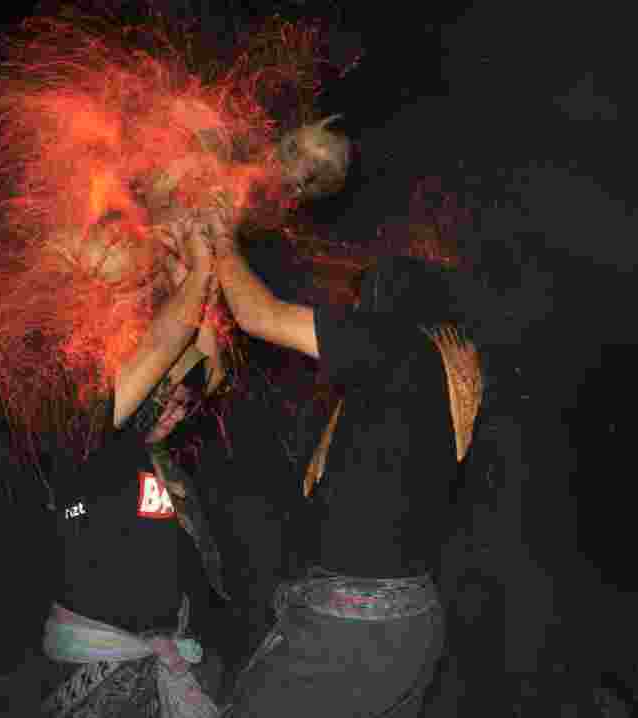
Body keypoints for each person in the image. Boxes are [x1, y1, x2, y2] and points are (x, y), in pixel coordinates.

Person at [208, 208, 485, 717]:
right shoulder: (441, 366)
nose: (349, 305)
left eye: (360, 294)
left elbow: (258, 316)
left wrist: (219, 238)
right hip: (413, 621)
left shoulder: (389, 342)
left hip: (356, 632)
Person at [36, 214, 232, 717]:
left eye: (181, 403)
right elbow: (164, 344)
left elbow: (204, 362)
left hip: (156, 654)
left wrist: (177, 269)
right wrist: (200, 270)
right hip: (98, 668)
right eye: (164, 398)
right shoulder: (64, 400)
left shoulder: (145, 448)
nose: (178, 408)